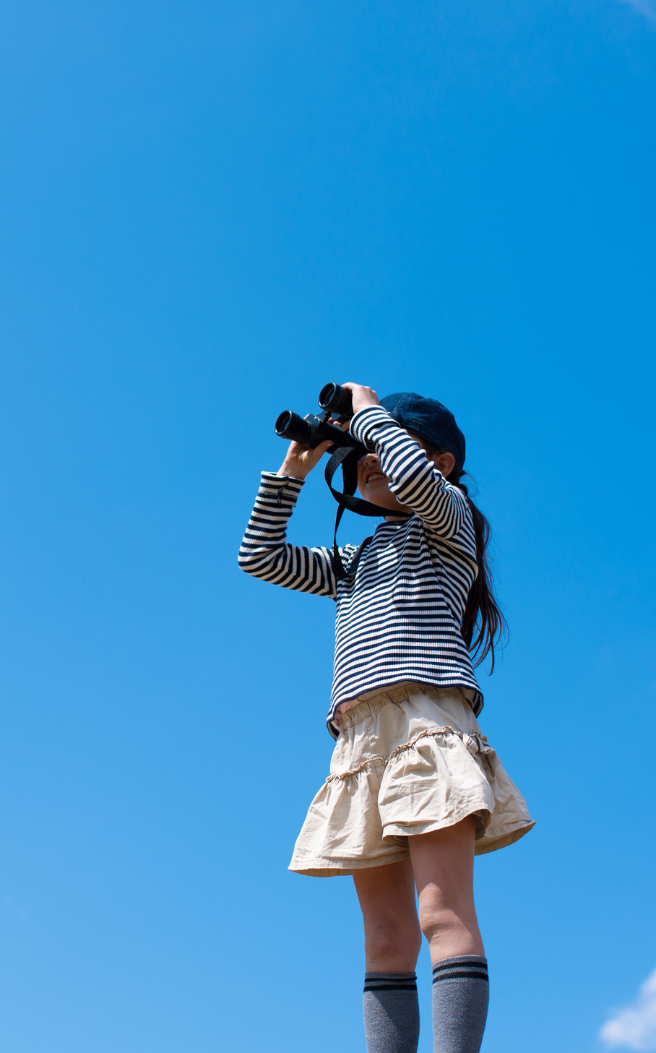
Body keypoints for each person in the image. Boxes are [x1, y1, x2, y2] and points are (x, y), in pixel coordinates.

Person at [237, 383, 534, 1053]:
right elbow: (259, 557)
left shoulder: (449, 521)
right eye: (360, 453)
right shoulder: (353, 563)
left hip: (426, 725)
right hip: (359, 744)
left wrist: (368, 413)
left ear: (442, 461)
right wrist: (295, 467)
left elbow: (416, 481)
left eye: (383, 447)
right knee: (387, 938)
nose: (368, 460)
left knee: (442, 914)